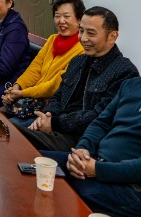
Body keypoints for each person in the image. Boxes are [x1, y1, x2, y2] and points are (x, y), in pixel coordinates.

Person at [16, 6, 138, 152]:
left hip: (82, 140)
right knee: (7, 131)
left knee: (17, 141)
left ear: (112, 36)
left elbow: (99, 117)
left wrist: (55, 123)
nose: (83, 38)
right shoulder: (77, 61)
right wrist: (48, 116)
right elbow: (58, 95)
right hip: (55, 126)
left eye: (91, 33)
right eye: (81, 31)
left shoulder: (124, 72)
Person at [40, 77, 141, 217]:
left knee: (66, 196)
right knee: (35, 160)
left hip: (129, 185)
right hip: (93, 161)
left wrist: (97, 169)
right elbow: (101, 123)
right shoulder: (131, 85)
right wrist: (82, 150)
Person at [2, 0, 86, 125]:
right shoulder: (52, 39)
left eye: (66, 16)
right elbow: (35, 68)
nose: (61, 21)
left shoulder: (82, 50)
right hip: (31, 100)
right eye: (57, 16)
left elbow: (54, 86)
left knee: (8, 127)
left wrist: (22, 93)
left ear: (79, 19)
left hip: (48, 108)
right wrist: (17, 86)